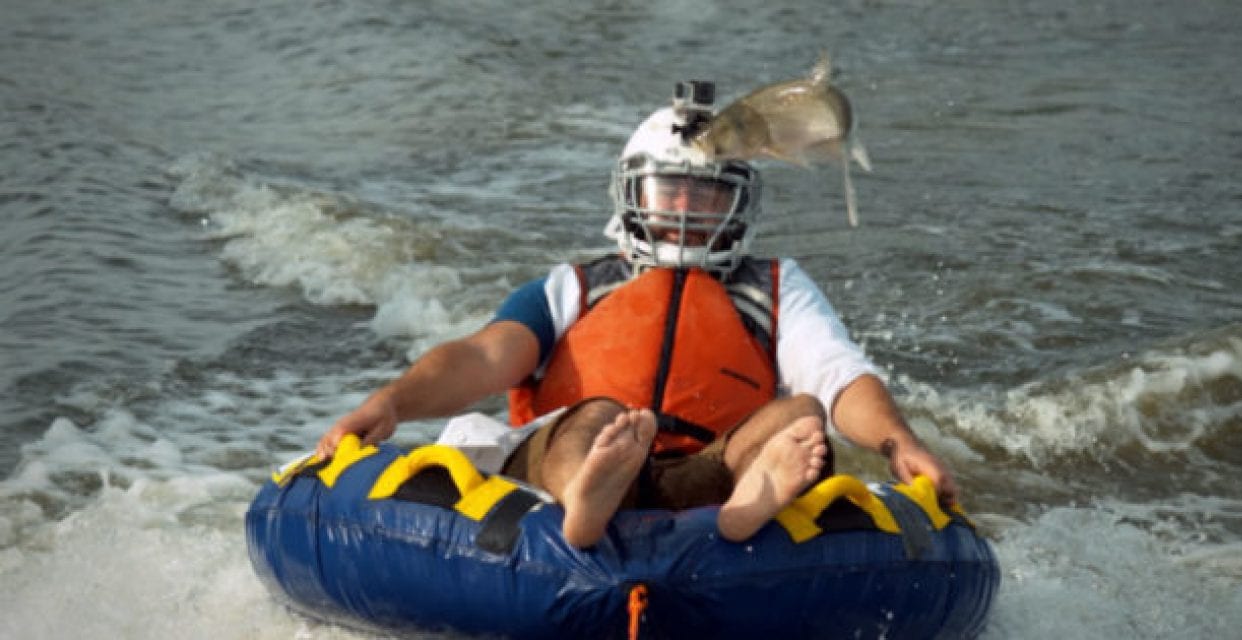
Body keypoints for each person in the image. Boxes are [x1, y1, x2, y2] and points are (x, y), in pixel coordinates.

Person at [315, 82, 957, 549]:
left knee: (803, 418)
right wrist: (393, 402)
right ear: (631, 196)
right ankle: (584, 505)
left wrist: (901, 442)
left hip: (710, 468)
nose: (684, 209)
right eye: (669, 191)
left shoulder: (776, 289)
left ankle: (743, 510)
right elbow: (484, 357)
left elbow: (840, 377)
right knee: (599, 418)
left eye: (705, 195)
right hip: (577, 455)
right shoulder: (575, 287)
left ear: (738, 205)